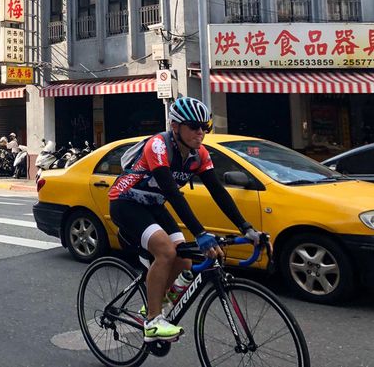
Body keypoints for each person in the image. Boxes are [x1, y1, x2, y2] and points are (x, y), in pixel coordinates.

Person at [108, 97, 262, 343]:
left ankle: (152, 304)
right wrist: (200, 233)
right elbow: (171, 191)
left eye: (204, 127)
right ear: (175, 126)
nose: (200, 132)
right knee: (166, 252)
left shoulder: (199, 154)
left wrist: (247, 228)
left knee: (184, 259)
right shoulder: (158, 146)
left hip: (154, 205)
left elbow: (218, 191)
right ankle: (153, 323)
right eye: (193, 126)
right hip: (126, 202)